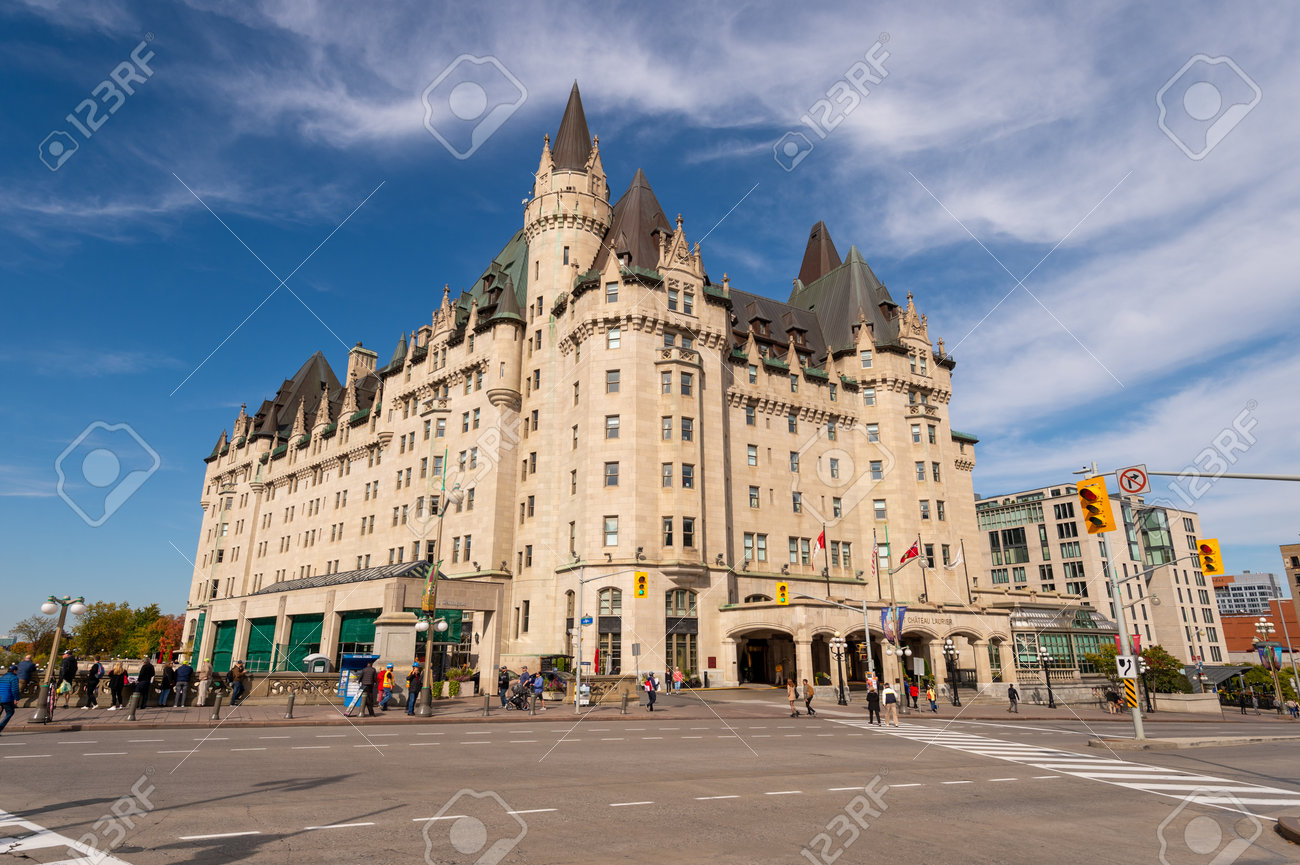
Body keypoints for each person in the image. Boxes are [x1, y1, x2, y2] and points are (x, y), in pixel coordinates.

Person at [0, 664, 19, 735]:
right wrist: (16, 698)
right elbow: (15, 690)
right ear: (14, 671)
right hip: (7, 698)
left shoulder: (2, 677)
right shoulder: (14, 678)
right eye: (16, 671)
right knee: (10, 712)